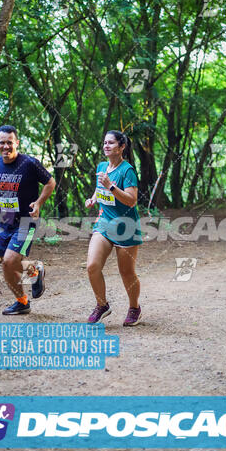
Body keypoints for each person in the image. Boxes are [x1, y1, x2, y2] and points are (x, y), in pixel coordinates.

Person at [0, 125, 56, 314]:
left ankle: (35, 272)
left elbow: (50, 182)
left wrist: (38, 203)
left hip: (27, 221)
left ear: (17, 143)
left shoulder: (29, 163)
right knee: (6, 265)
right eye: (2, 143)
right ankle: (23, 300)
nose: (5, 146)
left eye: (9, 142)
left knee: (10, 259)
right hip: (6, 221)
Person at [85, 131, 142, 326]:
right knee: (92, 266)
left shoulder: (128, 171)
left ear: (121, 147)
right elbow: (99, 188)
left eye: (111, 143)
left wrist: (111, 187)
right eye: (104, 143)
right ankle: (102, 305)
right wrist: (93, 198)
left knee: (126, 272)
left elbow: (132, 201)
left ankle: (134, 308)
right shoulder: (102, 166)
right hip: (104, 224)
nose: (106, 146)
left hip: (126, 227)